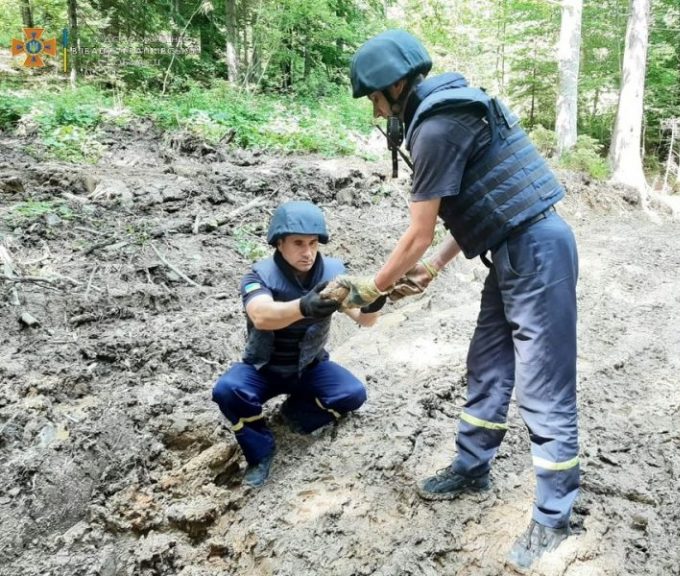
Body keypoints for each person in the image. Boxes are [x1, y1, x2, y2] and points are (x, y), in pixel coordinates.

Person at [339, 29, 580, 571]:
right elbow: (482, 205)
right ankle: (473, 467)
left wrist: (372, 291)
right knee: (489, 365)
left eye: (375, 99)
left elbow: (416, 233)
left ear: (395, 86)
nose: (376, 112)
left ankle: (554, 517)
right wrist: (432, 268)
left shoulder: (435, 127)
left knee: (544, 388)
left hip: (535, 253)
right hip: (514, 248)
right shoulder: (451, 109)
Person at [212, 201, 380, 487]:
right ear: (279, 243)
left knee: (352, 395)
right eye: (298, 243)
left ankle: (293, 416)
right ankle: (260, 450)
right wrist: (304, 306)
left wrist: (376, 299)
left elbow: (365, 320)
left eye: (313, 243)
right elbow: (262, 316)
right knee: (227, 391)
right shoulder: (259, 276)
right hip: (263, 368)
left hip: (309, 367)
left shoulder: (335, 274)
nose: (308, 252)